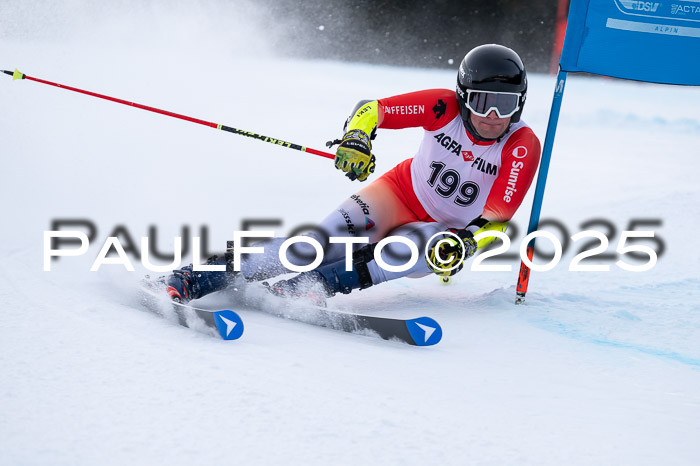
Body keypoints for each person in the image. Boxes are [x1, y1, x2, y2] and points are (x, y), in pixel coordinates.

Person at [159, 44, 541, 304]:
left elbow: (497, 219)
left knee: (404, 251)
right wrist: (357, 138)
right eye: (482, 103)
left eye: (505, 106)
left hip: (446, 228)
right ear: (462, 96)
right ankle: (195, 276)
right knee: (313, 246)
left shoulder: (521, 144)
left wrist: (470, 243)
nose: (493, 117)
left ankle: (313, 287)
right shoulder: (442, 107)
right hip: (398, 194)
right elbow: (373, 110)